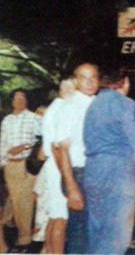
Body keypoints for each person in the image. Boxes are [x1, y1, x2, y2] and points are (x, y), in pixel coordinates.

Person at [83, 69, 135, 254]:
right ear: (124, 82)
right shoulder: (126, 104)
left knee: (97, 230)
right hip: (118, 171)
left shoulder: (93, 105)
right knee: (116, 234)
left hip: (93, 170)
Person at [52, 63, 99, 253]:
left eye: (93, 77)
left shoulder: (100, 105)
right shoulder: (69, 108)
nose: (89, 82)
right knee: (79, 233)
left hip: (99, 175)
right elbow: (61, 150)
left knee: (96, 232)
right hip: (79, 175)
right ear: (76, 80)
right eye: (83, 77)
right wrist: (72, 188)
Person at [0, 90, 41, 251]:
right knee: (16, 200)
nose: (19, 100)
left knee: (25, 202)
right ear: (11, 101)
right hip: (11, 165)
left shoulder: (34, 118)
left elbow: (44, 136)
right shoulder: (7, 120)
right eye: (16, 97)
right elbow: (2, 143)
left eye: (22, 97)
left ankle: (25, 237)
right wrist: (6, 157)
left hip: (27, 165)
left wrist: (26, 146)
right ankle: (10, 224)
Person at [41, 79, 75, 254]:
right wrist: (66, 176)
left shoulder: (54, 108)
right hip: (58, 167)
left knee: (54, 217)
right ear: (67, 90)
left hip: (53, 166)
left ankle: (48, 250)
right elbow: (57, 147)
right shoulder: (62, 110)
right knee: (61, 218)